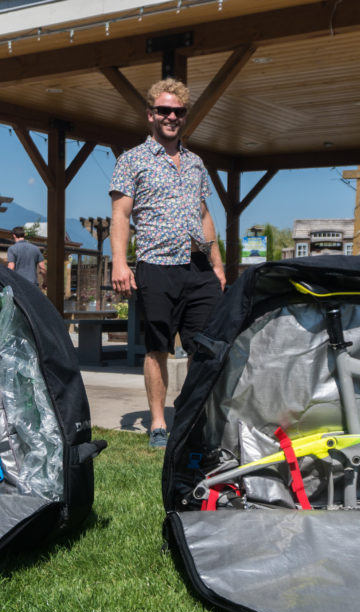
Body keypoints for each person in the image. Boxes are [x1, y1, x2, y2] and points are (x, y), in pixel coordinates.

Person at [109, 78, 227, 448]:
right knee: (158, 347)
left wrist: (218, 265)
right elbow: (120, 215)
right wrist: (119, 263)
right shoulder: (132, 160)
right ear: (151, 115)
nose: (171, 117)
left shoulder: (195, 163)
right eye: (164, 110)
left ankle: (192, 416)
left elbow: (205, 215)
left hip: (198, 267)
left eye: (177, 112)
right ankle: (159, 424)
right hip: (155, 264)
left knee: (205, 348)